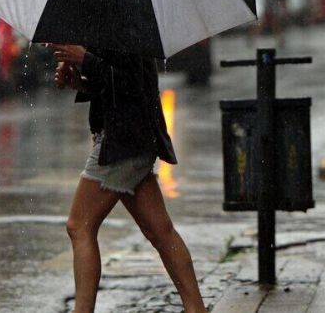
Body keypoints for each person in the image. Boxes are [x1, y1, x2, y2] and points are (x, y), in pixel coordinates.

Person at [50, 44, 207, 313]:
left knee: (79, 226)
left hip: (122, 141)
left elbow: (133, 84)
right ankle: (197, 309)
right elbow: (115, 86)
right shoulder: (115, 21)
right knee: (161, 231)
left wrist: (86, 59)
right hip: (131, 138)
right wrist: (81, 82)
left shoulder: (127, 24)